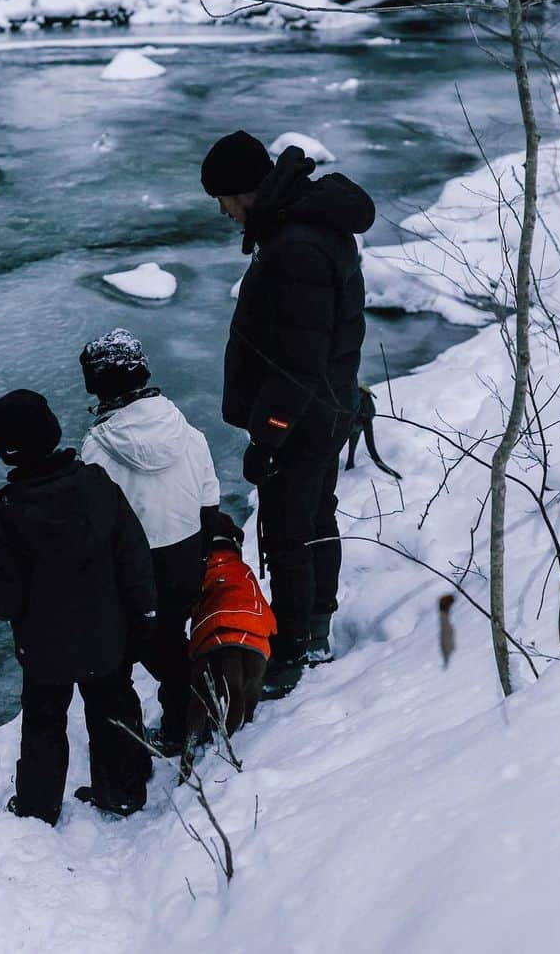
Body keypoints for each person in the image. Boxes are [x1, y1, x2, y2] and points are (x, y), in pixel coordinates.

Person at [200, 130, 375, 698]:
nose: (223, 212)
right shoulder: (301, 225)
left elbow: (299, 360)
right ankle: (315, 629)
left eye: (223, 199)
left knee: (288, 534)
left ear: (246, 191)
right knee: (314, 521)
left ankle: (293, 650)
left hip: (303, 419)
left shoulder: (295, 245)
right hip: (325, 408)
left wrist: (269, 437)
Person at [0, 388, 156, 824]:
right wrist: (142, 614)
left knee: (43, 722)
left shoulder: (7, 508)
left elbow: (3, 598)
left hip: (43, 648)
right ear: (53, 431)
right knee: (113, 706)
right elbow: (134, 557)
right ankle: (124, 791)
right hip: (105, 634)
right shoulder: (97, 484)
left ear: (5, 451)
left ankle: (39, 807)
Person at [79, 329, 220, 757]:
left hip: (132, 574)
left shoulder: (96, 451)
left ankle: (128, 758)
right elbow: (209, 501)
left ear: (95, 385)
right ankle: (185, 721)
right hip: (184, 561)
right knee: (171, 644)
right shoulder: (189, 433)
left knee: (121, 661)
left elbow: (94, 528)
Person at [183, 513, 276, 778]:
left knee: (199, 700)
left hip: (214, 640)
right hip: (253, 641)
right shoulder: (243, 571)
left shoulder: (200, 570)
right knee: (242, 697)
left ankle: (189, 755)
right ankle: (233, 762)